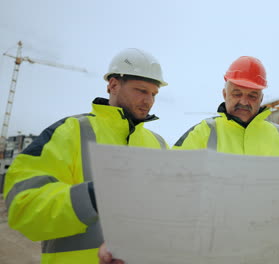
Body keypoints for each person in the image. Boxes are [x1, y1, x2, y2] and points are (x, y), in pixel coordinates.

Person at [3, 48, 169, 264]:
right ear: (113, 85)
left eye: (153, 94)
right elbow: (22, 205)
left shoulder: (159, 144)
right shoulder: (70, 131)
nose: (149, 101)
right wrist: (91, 196)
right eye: (141, 90)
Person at [173, 56, 279, 156]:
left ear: (260, 99)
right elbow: (172, 174)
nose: (244, 102)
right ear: (225, 94)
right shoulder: (202, 132)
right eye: (237, 93)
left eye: (252, 96)